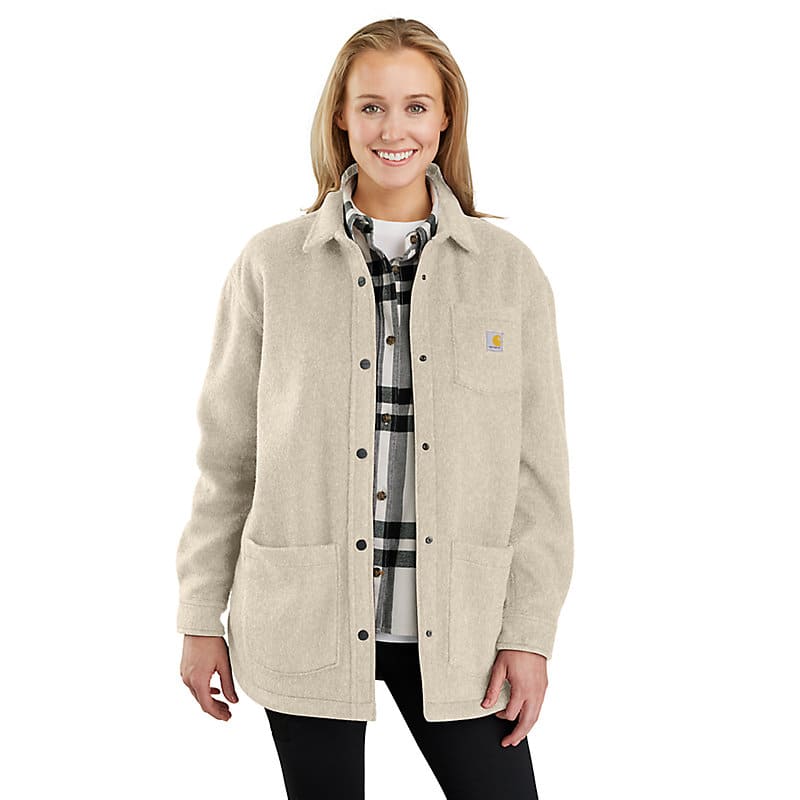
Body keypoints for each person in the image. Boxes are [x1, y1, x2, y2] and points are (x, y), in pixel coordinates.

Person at [176, 17, 573, 800]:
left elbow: (539, 475)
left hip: (461, 629)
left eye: (417, 106)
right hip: (305, 620)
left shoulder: (508, 272)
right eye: (372, 106)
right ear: (341, 116)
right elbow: (228, 458)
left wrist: (529, 633)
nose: (395, 130)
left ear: (446, 117)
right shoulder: (271, 265)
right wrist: (199, 614)